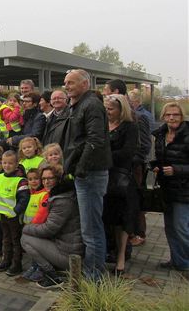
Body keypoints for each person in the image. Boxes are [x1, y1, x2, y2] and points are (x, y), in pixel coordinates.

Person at [63, 69, 112, 281]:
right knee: (89, 228)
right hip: (84, 172)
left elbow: (95, 140)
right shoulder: (79, 105)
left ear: (84, 84)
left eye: (71, 83)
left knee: (91, 230)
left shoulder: (90, 105)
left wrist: (80, 168)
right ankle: (91, 271)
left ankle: (94, 277)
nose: (66, 86)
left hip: (90, 174)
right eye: (65, 82)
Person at [21, 165, 83, 289]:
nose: (46, 182)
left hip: (68, 255)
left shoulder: (62, 200)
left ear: (59, 179)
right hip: (65, 246)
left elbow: (49, 229)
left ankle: (52, 275)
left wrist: (26, 228)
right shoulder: (60, 194)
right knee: (29, 236)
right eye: (43, 179)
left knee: (25, 239)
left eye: (50, 178)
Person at [103, 94, 140, 276]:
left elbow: (127, 152)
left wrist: (104, 155)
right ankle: (109, 253)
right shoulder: (102, 126)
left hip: (120, 181)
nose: (107, 112)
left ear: (121, 110)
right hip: (103, 178)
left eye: (110, 109)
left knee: (121, 221)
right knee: (107, 219)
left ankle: (121, 258)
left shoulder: (130, 127)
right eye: (106, 109)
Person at [152, 102, 189, 278]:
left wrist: (177, 169)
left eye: (176, 115)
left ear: (181, 116)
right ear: (163, 117)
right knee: (170, 228)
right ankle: (178, 261)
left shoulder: (187, 135)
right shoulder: (161, 135)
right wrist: (157, 167)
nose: (172, 118)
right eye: (168, 115)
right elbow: (161, 158)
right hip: (167, 188)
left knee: (182, 227)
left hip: (184, 190)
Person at [0, 150, 29, 276]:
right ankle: (6, 260)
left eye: (10, 163)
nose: (6, 166)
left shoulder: (21, 181)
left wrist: (15, 212)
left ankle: (16, 264)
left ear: (16, 164)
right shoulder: (0, 177)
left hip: (14, 217)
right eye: (4, 163)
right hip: (3, 215)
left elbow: (24, 200)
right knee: (6, 239)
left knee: (15, 240)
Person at [127, 88, 155, 246]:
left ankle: (139, 233)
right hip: (131, 166)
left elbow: (145, 144)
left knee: (136, 198)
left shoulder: (141, 117)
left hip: (136, 166)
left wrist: (135, 161)